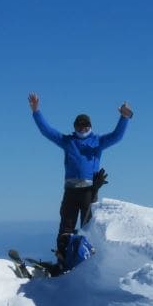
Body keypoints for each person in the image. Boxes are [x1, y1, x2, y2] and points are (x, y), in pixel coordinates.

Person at [28, 93, 133, 261]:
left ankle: (87, 261)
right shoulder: (67, 141)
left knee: (88, 229)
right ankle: (63, 258)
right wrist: (36, 111)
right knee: (66, 228)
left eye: (85, 127)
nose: (82, 129)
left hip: (89, 192)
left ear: (90, 127)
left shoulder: (97, 141)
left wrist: (125, 117)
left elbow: (116, 136)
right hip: (70, 191)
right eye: (79, 127)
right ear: (75, 127)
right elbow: (46, 131)